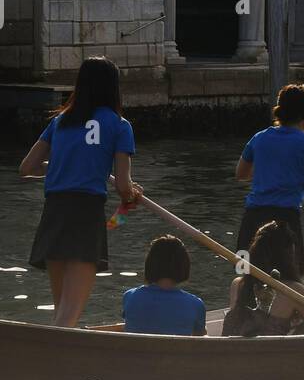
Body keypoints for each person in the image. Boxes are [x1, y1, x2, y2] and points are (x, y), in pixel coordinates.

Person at [19, 56, 143, 328]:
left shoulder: (60, 122)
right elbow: (123, 185)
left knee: (62, 312)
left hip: (54, 214)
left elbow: (27, 167)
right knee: (68, 315)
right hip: (86, 213)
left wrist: (60, 165)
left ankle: (56, 360)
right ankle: (57, 367)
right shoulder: (120, 126)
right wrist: (130, 199)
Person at [235, 83, 304, 274]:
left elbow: (241, 174)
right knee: (289, 284)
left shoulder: (259, 138)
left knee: (244, 277)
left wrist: (272, 169)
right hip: (284, 224)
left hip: (251, 220)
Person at [223, 220, 304, 337]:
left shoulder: (238, 284)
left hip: (235, 352)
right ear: (287, 257)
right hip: (271, 354)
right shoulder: (292, 289)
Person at [122, 235, 206, 336]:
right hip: (176, 351)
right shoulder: (195, 304)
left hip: (135, 351)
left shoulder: (130, 296)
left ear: (149, 264)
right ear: (184, 265)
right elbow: (200, 341)